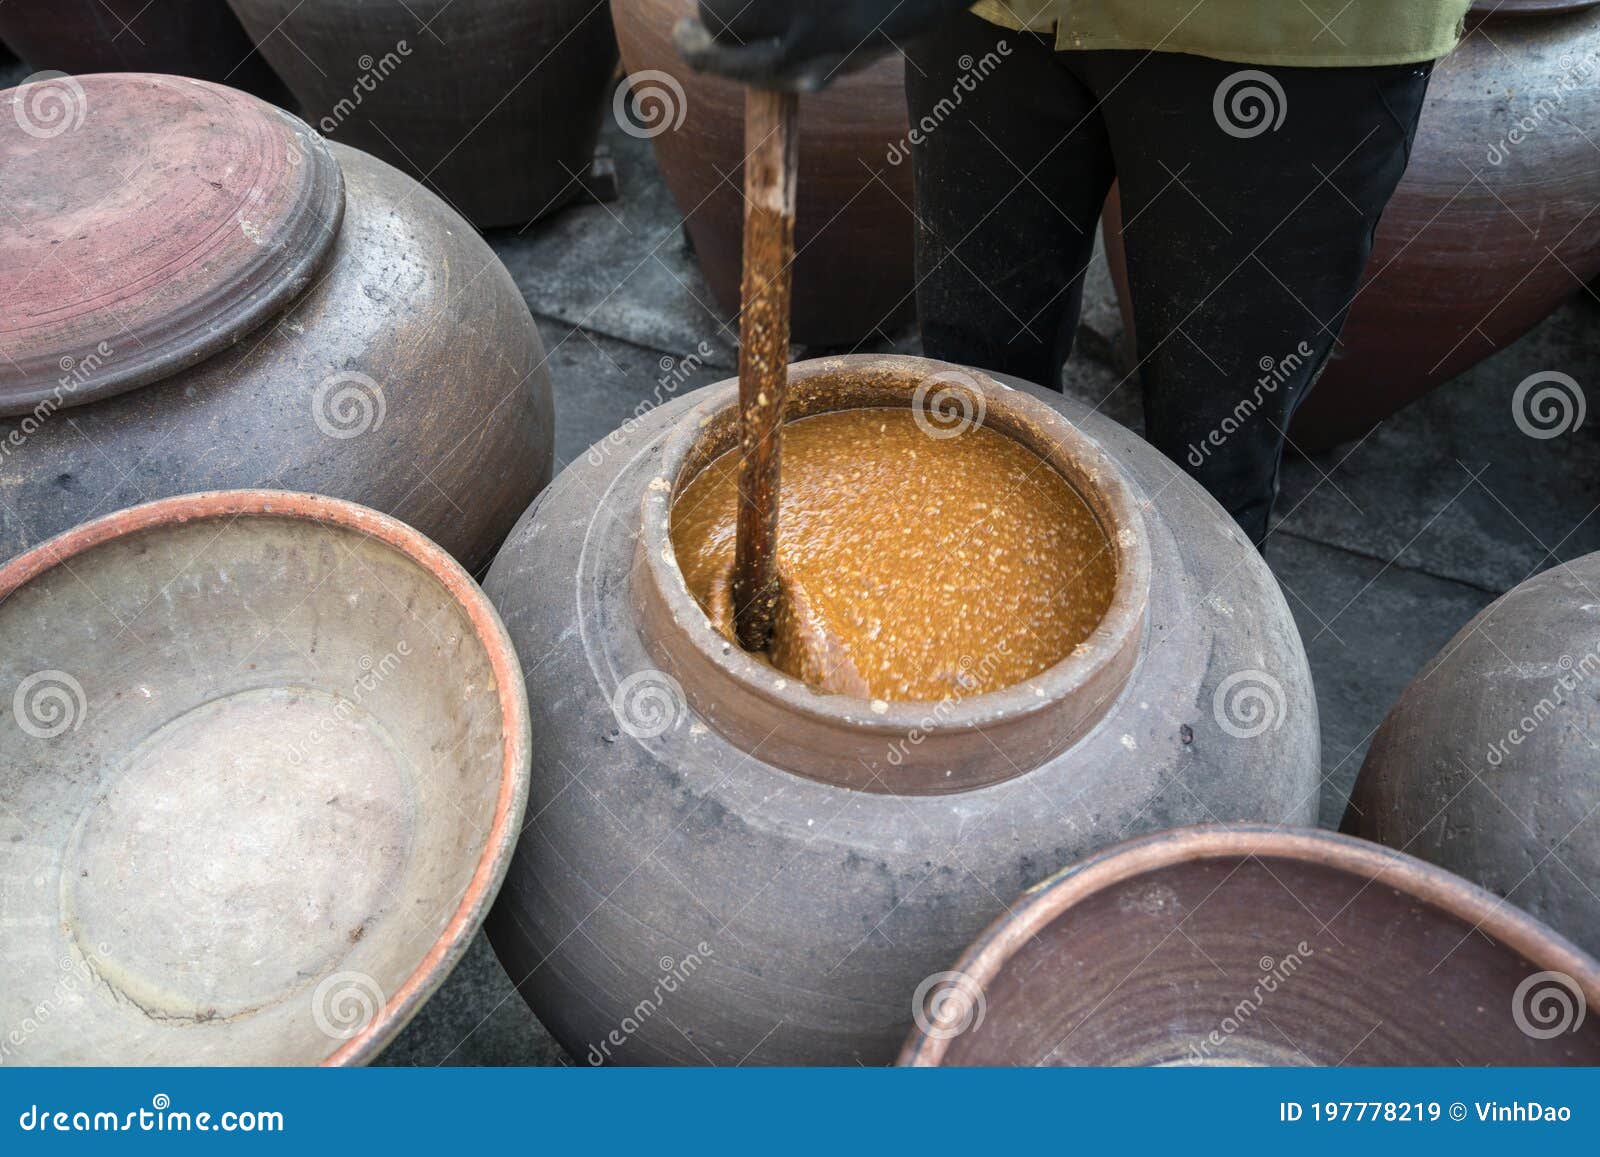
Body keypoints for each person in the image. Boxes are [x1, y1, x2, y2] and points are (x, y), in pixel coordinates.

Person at [676, 0, 1472, 545]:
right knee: (966, 381)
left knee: (1208, 455)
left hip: (1279, 36)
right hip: (1003, 18)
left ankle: (1174, 755)